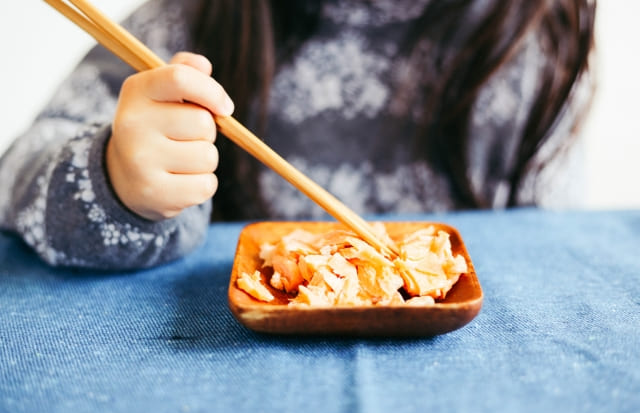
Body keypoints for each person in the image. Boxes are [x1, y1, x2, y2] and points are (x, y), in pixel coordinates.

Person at [0, 0, 596, 269]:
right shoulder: (186, 21)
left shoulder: (539, 37)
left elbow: (548, 244)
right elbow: (14, 172)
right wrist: (115, 179)